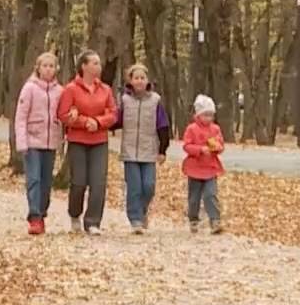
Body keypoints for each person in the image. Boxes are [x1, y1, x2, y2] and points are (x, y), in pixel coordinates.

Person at [57, 49, 116, 234]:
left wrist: (98, 122)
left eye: (99, 63)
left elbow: (113, 114)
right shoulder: (71, 89)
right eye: (95, 63)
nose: (99, 66)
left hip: (99, 140)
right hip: (78, 140)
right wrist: (84, 122)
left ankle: (93, 222)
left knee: (98, 182)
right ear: (84, 66)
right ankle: (75, 214)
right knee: (79, 182)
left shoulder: (105, 90)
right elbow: (63, 114)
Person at [113, 63, 170, 233]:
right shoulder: (124, 100)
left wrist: (162, 150)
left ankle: (143, 210)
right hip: (130, 152)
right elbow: (116, 121)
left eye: (142, 78)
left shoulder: (155, 101)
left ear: (147, 81)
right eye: (136, 78)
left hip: (149, 151)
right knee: (134, 186)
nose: (139, 81)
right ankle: (135, 219)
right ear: (130, 80)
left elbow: (163, 126)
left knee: (148, 186)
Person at [13, 53, 64, 235]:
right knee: (34, 179)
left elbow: (63, 113)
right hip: (32, 141)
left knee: (46, 182)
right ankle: (34, 217)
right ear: (38, 67)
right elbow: (20, 117)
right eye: (45, 66)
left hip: (50, 143)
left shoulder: (60, 91)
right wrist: (22, 143)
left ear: (56, 69)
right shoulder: (30, 88)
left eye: (52, 66)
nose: (48, 69)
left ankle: (42, 213)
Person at [182, 94, 226, 234]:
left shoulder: (215, 129)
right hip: (194, 168)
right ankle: (193, 219)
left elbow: (220, 145)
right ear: (198, 115)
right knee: (194, 197)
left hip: (210, 168)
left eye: (211, 115)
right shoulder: (191, 129)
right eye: (205, 115)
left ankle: (215, 220)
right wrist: (200, 150)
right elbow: (187, 146)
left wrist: (217, 148)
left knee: (210, 194)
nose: (208, 118)